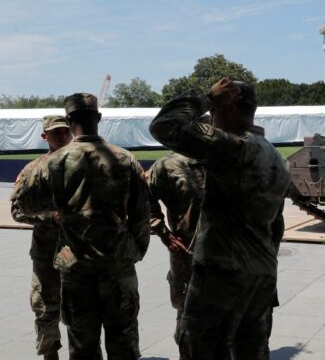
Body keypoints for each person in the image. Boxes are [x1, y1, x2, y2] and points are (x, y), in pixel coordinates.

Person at [149, 78, 290, 360]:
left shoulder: (233, 148)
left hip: (222, 274)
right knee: (251, 351)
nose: (211, 120)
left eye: (214, 113)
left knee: (200, 349)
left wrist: (207, 98)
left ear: (229, 109)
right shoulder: (275, 156)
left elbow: (163, 126)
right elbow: (276, 225)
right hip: (260, 272)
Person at [14, 94, 151, 359]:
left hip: (76, 271)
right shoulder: (125, 159)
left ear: (69, 120)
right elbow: (142, 216)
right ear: (98, 119)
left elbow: (26, 205)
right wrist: (133, 252)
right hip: (118, 268)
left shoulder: (53, 163)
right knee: (124, 345)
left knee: (83, 348)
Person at [10, 115, 73, 360]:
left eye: (65, 131)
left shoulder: (84, 164)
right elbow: (17, 210)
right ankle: (50, 355)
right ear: (45, 136)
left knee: (80, 307)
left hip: (79, 250)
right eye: (56, 132)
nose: (62, 136)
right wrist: (49, 217)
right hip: (48, 251)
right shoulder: (32, 169)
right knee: (46, 307)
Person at [145, 152, 205, 344]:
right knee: (186, 311)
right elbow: (144, 196)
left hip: (225, 251)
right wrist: (163, 232)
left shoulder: (224, 156)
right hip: (186, 251)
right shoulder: (168, 164)